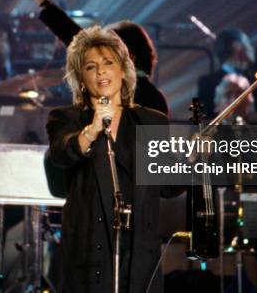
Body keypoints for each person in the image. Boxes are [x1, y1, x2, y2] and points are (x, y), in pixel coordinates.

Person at [46, 26, 181, 292]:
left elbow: (166, 185)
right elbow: (62, 153)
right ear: (81, 79)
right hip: (88, 256)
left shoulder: (151, 121)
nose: (101, 72)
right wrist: (92, 129)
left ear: (123, 69)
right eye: (91, 67)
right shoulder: (66, 119)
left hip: (140, 258)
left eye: (108, 63)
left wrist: (196, 162)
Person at [24, 0, 169, 116]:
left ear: (129, 56)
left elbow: (150, 139)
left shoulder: (150, 99)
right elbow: (76, 37)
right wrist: (42, 0)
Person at [197, 28, 255, 117]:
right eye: (247, 43)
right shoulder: (207, 83)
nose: (251, 48)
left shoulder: (254, 77)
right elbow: (199, 118)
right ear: (236, 46)